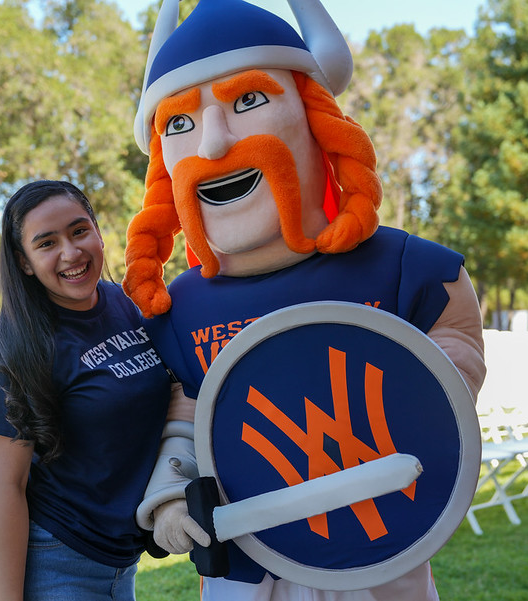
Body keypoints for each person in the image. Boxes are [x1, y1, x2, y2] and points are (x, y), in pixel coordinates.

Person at [122, 1, 487, 600]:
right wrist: (170, 492)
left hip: (379, 558)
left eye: (247, 102)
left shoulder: (400, 269)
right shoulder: (180, 308)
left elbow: (453, 349)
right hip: (248, 565)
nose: (213, 143)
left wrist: (430, 388)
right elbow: (187, 416)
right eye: (181, 123)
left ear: (317, 121)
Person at [0, 180, 173, 601]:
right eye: (47, 243)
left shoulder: (127, 305)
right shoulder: (13, 354)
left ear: (98, 232)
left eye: (79, 231)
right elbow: (6, 485)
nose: (71, 253)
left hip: (118, 557)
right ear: (24, 263)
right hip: (50, 558)